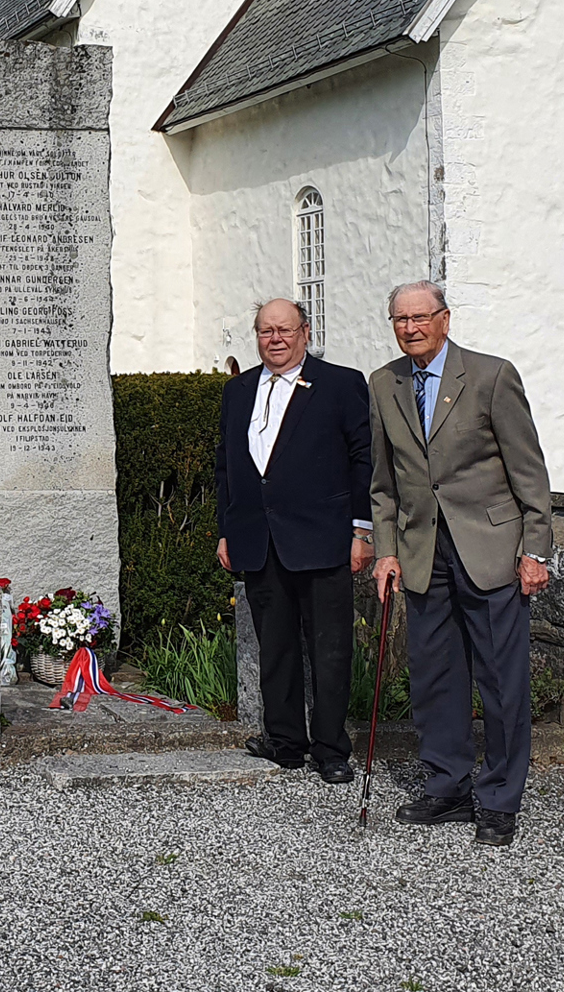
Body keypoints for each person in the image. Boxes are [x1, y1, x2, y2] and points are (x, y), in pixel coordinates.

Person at [370, 280, 553, 847]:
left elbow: (530, 472)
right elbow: (383, 484)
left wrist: (535, 549)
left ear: (445, 319)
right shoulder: (384, 384)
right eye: (401, 319)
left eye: (421, 317)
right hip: (425, 554)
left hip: (492, 550)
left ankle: (498, 799)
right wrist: (386, 551)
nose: (411, 328)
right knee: (435, 678)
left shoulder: (492, 376)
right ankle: (446, 786)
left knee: (501, 681)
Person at [215, 298, 374, 783]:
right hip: (259, 539)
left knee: (329, 649)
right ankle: (285, 741)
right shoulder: (238, 390)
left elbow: (363, 458)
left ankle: (331, 749)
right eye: (266, 331)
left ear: (305, 332)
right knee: (275, 646)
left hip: (323, 539)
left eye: (285, 329)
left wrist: (362, 530)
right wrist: (226, 528)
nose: (275, 339)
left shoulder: (341, 383)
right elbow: (227, 464)